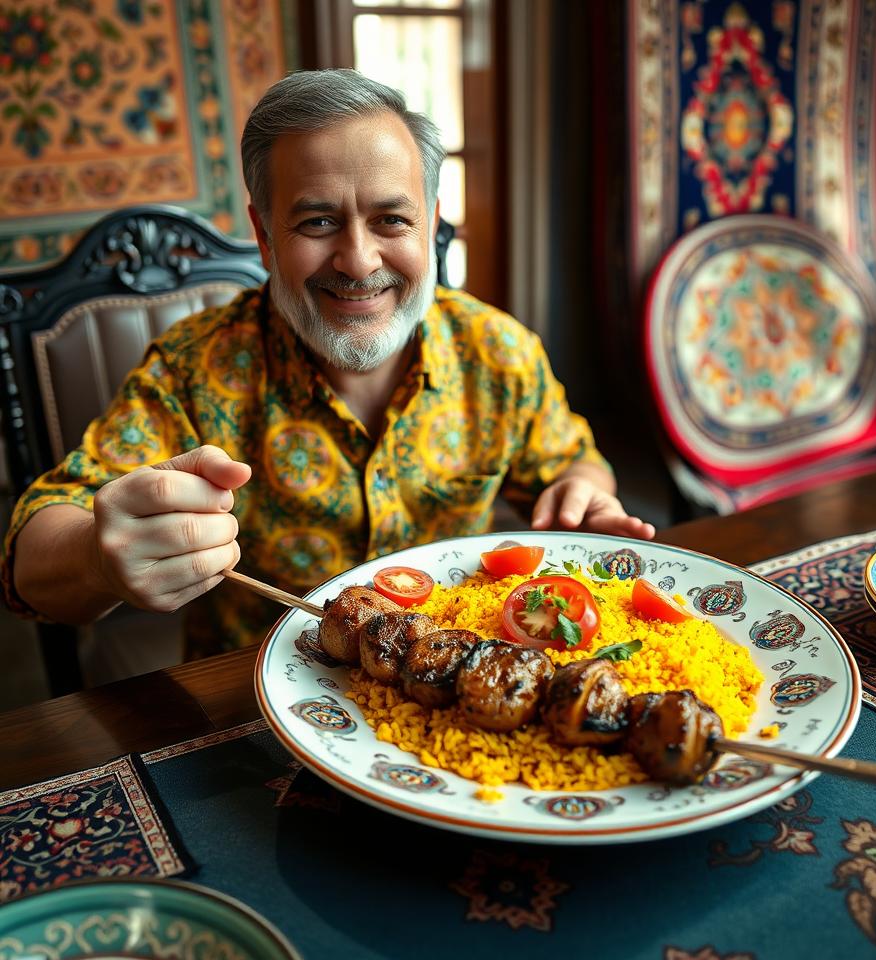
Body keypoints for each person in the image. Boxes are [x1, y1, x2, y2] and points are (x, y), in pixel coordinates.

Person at [1, 69, 655, 660]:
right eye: (317, 222)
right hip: (252, 716)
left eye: (391, 220)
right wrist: (97, 560)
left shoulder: (499, 351)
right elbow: (32, 549)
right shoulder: (192, 370)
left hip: (458, 697)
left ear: (429, 225)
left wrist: (584, 489)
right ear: (263, 236)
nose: (359, 261)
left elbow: (574, 462)